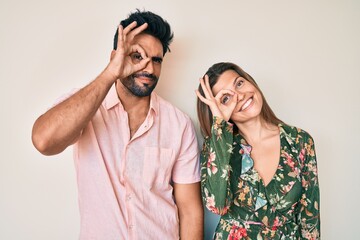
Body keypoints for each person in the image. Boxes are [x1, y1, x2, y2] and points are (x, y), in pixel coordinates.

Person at [32, 10, 203, 240]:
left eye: (156, 60)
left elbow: (190, 210)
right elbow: (44, 141)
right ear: (117, 56)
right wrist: (111, 72)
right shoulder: (85, 106)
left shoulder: (179, 125)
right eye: (137, 56)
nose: (149, 68)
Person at [196, 62, 320, 239]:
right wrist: (219, 126)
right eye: (226, 98)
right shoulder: (217, 146)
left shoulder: (300, 141)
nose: (239, 96)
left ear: (250, 82)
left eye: (239, 83)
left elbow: (310, 218)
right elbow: (216, 205)